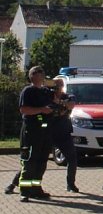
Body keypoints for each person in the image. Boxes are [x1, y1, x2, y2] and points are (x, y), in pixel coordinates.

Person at [18, 65, 54, 202]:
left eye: (42, 72)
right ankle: (25, 191)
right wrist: (41, 110)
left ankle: (36, 188)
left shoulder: (45, 91)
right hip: (31, 130)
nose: (41, 74)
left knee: (42, 162)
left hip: (45, 130)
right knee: (30, 162)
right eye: (38, 72)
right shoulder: (28, 91)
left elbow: (54, 103)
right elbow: (24, 109)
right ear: (32, 76)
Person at [50, 77, 79, 192]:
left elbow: (71, 105)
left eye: (60, 85)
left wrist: (59, 103)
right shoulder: (47, 96)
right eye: (56, 85)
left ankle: (70, 184)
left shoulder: (68, 96)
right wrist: (59, 105)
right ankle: (15, 183)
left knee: (72, 159)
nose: (58, 87)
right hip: (48, 132)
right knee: (35, 159)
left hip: (64, 132)